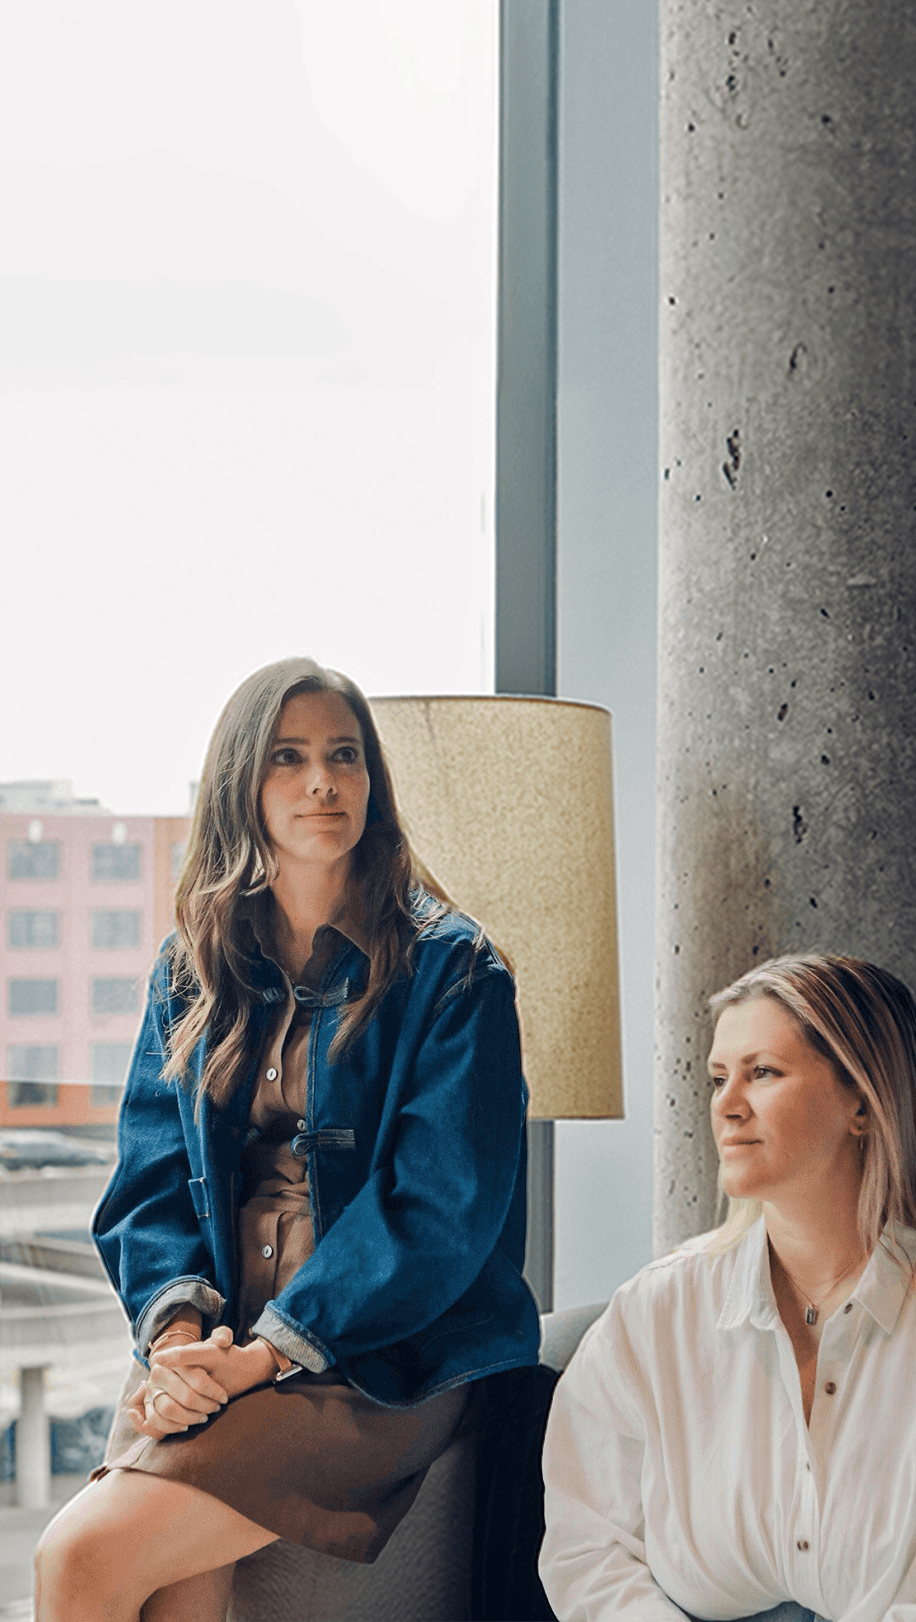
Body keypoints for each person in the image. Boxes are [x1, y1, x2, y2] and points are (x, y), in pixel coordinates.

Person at [35, 656, 539, 1622]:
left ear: (371, 784)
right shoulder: (192, 968)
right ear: (242, 785)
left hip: (385, 1360)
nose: (324, 782)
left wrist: (264, 1356)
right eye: (290, 758)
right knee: (176, 1592)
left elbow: (434, 1219)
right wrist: (180, 1338)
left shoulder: (456, 975)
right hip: (221, 1343)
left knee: (80, 1562)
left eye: (344, 758)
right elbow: (147, 1182)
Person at [540, 952, 916, 1622]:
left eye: (762, 1073)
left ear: (861, 1099)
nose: (726, 1107)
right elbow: (586, 1546)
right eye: (718, 1079)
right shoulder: (656, 1310)